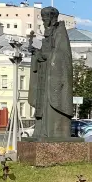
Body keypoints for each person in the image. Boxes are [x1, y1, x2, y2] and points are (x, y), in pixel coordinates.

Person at [27, 7, 74, 138]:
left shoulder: (60, 33)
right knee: (42, 106)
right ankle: (42, 132)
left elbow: (60, 55)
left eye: (45, 19)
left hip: (53, 78)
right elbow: (46, 53)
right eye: (42, 19)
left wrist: (42, 54)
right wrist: (36, 53)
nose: (43, 22)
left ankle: (53, 133)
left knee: (50, 108)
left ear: (52, 19)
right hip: (45, 75)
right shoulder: (49, 33)